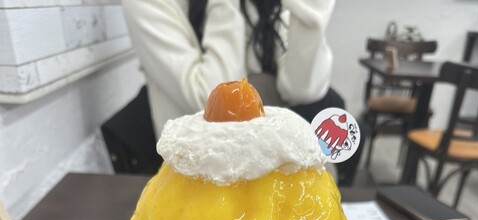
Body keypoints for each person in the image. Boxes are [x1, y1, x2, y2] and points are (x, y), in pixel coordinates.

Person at [122, 0, 362, 185]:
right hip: (199, 179)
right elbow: (210, 97)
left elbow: (302, 89)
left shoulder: (263, 7)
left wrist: (310, 13)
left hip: (273, 173)